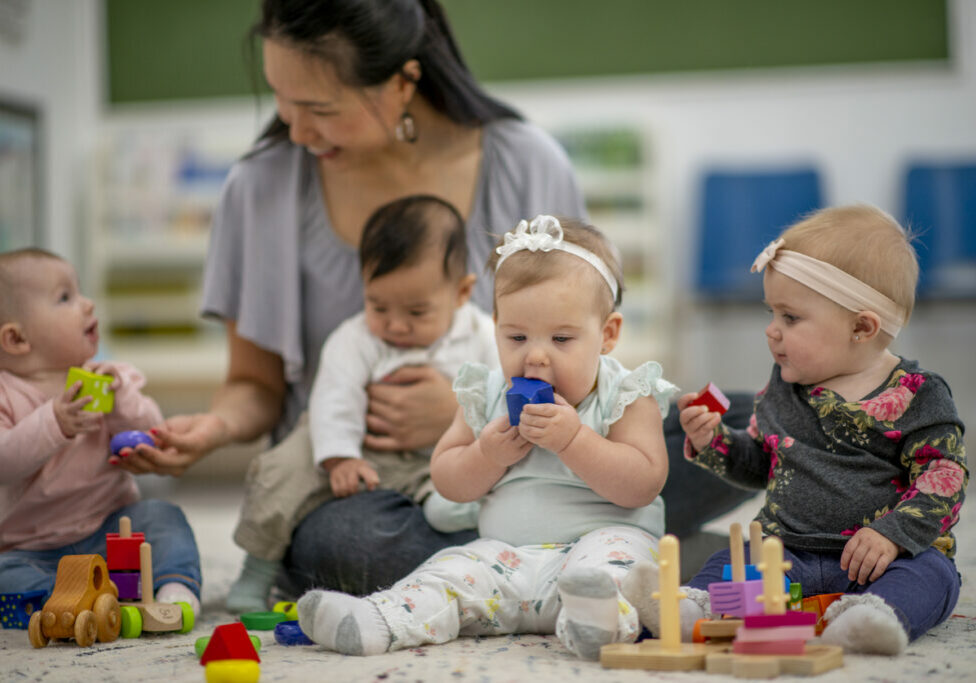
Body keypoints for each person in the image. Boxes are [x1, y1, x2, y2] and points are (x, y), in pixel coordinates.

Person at [118, 0, 752, 596]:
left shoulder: (527, 162)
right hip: (367, 479)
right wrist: (215, 427)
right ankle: (620, 550)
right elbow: (254, 383)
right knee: (346, 543)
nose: (295, 127)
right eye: (280, 99)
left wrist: (508, 420)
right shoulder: (259, 187)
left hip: (543, 456)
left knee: (752, 421)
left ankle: (579, 543)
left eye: (320, 106)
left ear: (403, 81)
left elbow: (576, 338)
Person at [295, 215, 676, 660]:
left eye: (561, 338)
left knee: (615, 569)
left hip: (600, 542)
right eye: (516, 336)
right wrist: (487, 454)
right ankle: (380, 619)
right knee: (449, 571)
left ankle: (597, 622)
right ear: (494, 324)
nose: (535, 356)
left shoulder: (625, 394)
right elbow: (448, 480)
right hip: (506, 559)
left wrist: (574, 440)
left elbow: (643, 484)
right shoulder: (487, 392)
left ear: (607, 335)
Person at [622, 205, 967, 656]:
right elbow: (762, 465)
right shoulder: (786, 386)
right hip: (783, 556)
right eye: (772, 313)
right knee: (734, 560)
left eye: (790, 318)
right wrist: (713, 440)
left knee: (933, 575)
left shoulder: (919, 394)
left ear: (861, 327)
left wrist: (892, 533)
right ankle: (695, 611)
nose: (772, 331)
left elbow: (945, 478)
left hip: (882, 559)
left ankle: (873, 617)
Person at [226, 194, 495, 612]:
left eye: (417, 311)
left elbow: (502, 392)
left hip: (435, 459)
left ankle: (451, 513)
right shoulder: (355, 338)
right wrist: (339, 458)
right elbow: (334, 399)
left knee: (473, 487)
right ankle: (257, 569)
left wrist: (462, 419)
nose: (395, 324)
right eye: (378, 305)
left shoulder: (484, 335)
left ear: (461, 292)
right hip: (357, 448)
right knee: (283, 471)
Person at [0, 248, 201, 614]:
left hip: (113, 530)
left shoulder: (104, 377)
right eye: (65, 297)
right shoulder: (6, 395)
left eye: (79, 292)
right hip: (32, 550)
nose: (87, 304)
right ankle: (63, 604)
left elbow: (150, 432)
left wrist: (122, 399)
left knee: (162, 517)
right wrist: (53, 423)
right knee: (6, 576)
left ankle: (174, 588)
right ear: (17, 340)